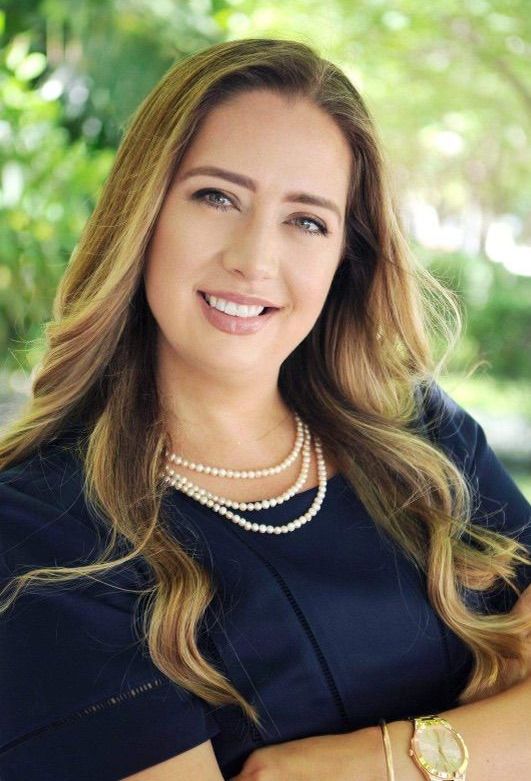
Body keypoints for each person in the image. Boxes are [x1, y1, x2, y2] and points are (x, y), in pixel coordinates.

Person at [0, 37, 530, 781]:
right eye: (217, 196)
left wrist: (354, 765)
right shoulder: (40, 534)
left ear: (345, 254)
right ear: (144, 211)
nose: (254, 258)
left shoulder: (422, 438)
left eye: (306, 220)